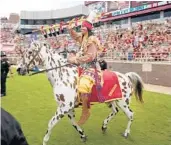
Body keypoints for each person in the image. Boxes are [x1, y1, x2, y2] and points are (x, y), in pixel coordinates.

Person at [67, 10, 103, 125]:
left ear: (88, 29)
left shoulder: (91, 41)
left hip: (91, 68)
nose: (81, 28)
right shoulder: (82, 38)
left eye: (83, 27)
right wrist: (70, 29)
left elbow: (90, 57)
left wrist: (76, 59)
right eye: (81, 27)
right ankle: (76, 101)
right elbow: (74, 36)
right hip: (82, 66)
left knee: (83, 87)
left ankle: (85, 111)